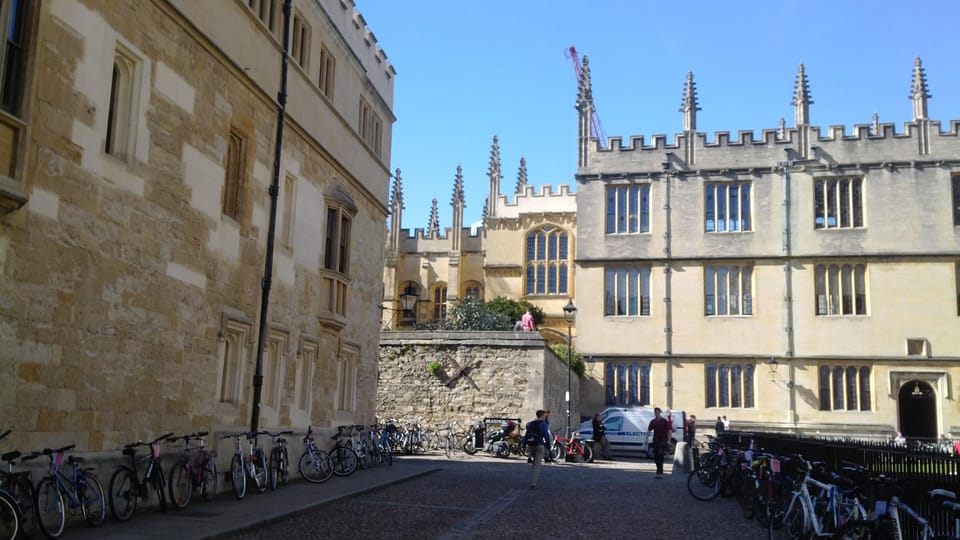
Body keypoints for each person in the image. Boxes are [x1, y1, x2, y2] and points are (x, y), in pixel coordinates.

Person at [526, 410, 552, 488]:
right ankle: (533, 483)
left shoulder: (531, 423)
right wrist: (548, 446)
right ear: (542, 416)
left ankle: (533, 478)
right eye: (544, 416)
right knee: (537, 464)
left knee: (534, 463)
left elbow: (527, 434)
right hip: (540, 444)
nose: (545, 417)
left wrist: (524, 444)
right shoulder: (543, 424)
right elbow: (546, 435)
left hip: (531, 445)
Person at [647, 407, 673, 479]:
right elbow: (649, 430)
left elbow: (670, 430)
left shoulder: (664, 421)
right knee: (656, 457)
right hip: (655, 441)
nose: (656, 414)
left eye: (657, 412)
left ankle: (660, 472)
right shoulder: (653, 421)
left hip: (663, 441)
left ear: (660, 413)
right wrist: (646, 439)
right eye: (655, 413)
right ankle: (658, 469)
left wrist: (669, 440)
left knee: (660, 455)